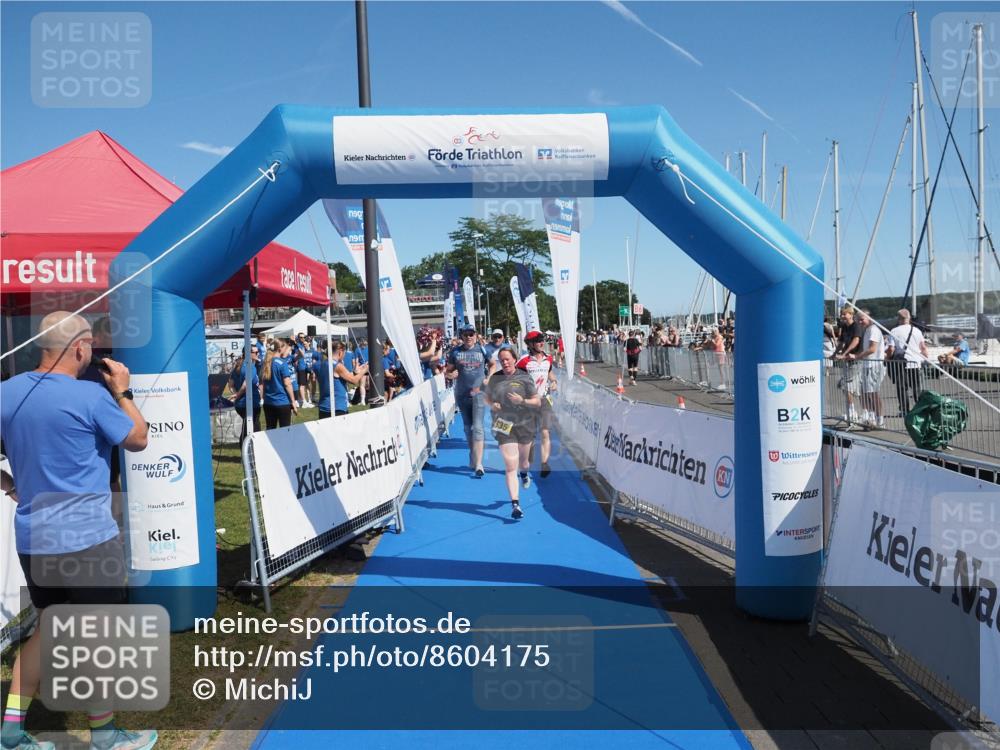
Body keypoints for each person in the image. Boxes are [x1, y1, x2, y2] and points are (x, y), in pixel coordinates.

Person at [0, 312, 156, 750]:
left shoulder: (6, 391)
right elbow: (139, 438)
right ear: (81, 348)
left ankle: (11, 730)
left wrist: (10, 484)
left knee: (49, 628)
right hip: (87, 540)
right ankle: (104, 735)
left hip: (34, 538)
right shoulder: (90, 396)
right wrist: (122, 390)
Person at [486, 347, 542, 519]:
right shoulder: (495, 378)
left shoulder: (525, 377)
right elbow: (486, 397)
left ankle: (524, 473)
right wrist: (492, 405)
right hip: (503, 424)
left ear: (514, 359)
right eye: (501, 360)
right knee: (511, 466)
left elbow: (537, 402)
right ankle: (515, 505)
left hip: (525, 423)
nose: (505, 362)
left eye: (507, 359)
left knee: (524, 463)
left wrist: (522, 400)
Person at [445, 324, 489, 477]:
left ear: (475, 335)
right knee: (468, 428)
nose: (469, 337)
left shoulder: (482, 350)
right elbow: (447, 372)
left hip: (479, 394)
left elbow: (492, 364)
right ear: (461, 336)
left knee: (478, 427)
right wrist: (451, 375)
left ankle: (479, 464)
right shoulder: (455, 352)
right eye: (466, 334)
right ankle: (473, 453)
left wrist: (489, 378)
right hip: (462, 394)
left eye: (471, 334)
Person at [517, 331, 558, 478]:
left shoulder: (549, 358)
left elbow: (550, 373)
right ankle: (526, 464)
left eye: (542, 340)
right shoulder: (524, 361)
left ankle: (545, 464)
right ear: (530, 344)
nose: (542, 343)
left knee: (545, 432)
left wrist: (554, 381)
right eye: (538, 341)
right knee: (530, 436)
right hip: (529, 403)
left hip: (545, 400)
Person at [887, 309, 928, 417]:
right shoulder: (917, 330)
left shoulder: (894, 331)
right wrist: (925, 359)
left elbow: (891, 349)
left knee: (902, 388)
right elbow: (923, 348)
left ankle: (905, 410)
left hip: (901, 364)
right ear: (909, 318)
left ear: (899, 318)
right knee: (917, 388)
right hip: (915, 363)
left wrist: (887, 359)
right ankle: (920, 410)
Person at [317, 342, 369, 419]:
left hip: (323, 407)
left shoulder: (323, 363)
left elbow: (343, 376)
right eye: (344, 353)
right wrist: (365, 370)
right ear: (340, 352)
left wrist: (355, 372)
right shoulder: (337, 366)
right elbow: (354, 380)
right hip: (337, 407)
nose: (344, 356)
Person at [853, 310, 886, 428]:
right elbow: (866, 348)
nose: (860, 322)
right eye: (858, 320)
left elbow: (872, 349)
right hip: (867, 365)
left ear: (869, 318)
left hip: (874, 365)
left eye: (862, 319)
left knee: (873, 393)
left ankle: (880, 420)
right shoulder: (867, 330)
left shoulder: (874, 330)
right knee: (865, 393)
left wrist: (857, 356)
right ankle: (871, 417)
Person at [834, 307, 865, 423]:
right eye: (841, 314)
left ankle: (854, 411)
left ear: (851, 314)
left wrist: (844, 354)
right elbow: (841, 342)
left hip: (856, 359)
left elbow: (856, 341)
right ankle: (851, 410)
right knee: (846, 386)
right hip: (848, 360)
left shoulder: (856, 326)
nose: (842, 316)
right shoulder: (844, 326)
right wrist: (835, 353)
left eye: (844, 314)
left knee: (846, 386)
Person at [262, 339, 298, 429]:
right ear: (279, 349)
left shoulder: (266, 362)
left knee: (270, 430)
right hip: (282, 402)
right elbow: (287, 384)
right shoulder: (282, 363)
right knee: (285, 431)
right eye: (285, 347)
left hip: (268, 402)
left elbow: (262, 383)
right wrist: (293, 401)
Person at [229, 347, 262, 442]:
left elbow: (230, 385)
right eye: (256, 352)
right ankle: (247, 449)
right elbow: (245, 385)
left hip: (241, 404)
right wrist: (237, 395)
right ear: (248, 353)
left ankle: (251, 448)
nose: (258, 354)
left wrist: (236, 394)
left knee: (250, 427)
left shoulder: (238, 366)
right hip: (250, 403)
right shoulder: (250, 367)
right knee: (251, 429)